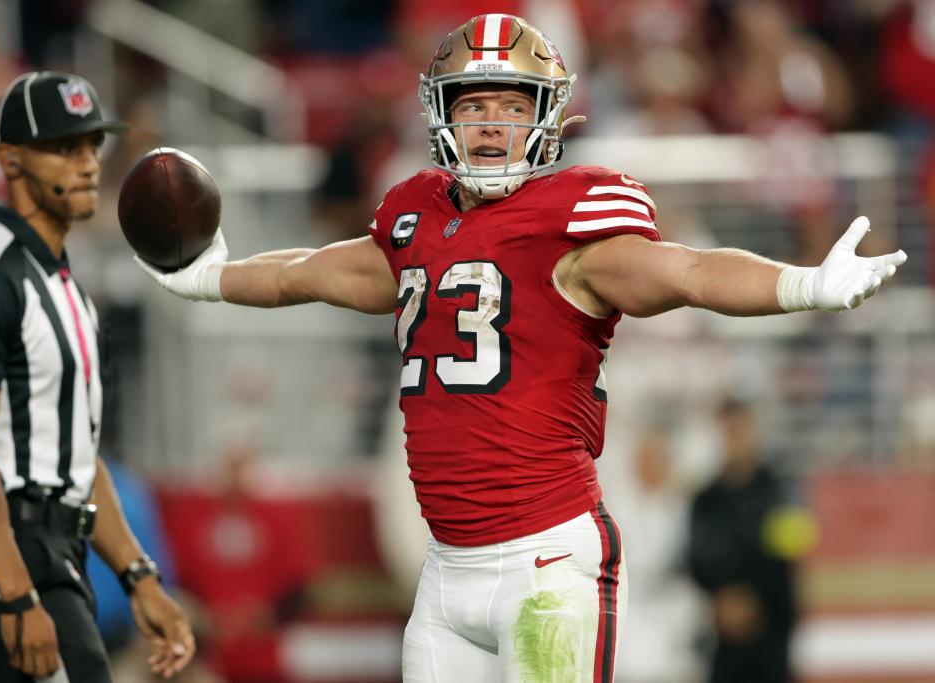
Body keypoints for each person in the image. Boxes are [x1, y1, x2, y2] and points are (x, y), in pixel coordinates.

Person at [136, 14, 905, 682]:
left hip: (547, 566)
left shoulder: (572, 222)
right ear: (442, 114)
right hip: (445, 570)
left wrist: (803, 284)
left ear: (547, 118)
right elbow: (308, 271)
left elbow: (688, 271)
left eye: (513, 106)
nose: (493, 125)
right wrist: (211, 277)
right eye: (474, 105)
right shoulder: (413, 219)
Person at [0, 71, 195, 682]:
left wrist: (139, 576)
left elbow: (78, 459)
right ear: (10, 159)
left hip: (60, 555)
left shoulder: (71, 295)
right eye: (64, 147)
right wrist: (15, 592)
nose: (88, 163)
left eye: (92, 144)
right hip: (4, 553)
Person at [688, 399, 804, 683]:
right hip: (723, 636)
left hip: (771, 633)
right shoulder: (705, 500)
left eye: (740, 430)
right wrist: (722, 602)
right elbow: (696, 559)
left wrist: (755, 602)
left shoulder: (778, 492)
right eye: (728, 431)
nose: (735, 439)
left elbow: (787, 558)